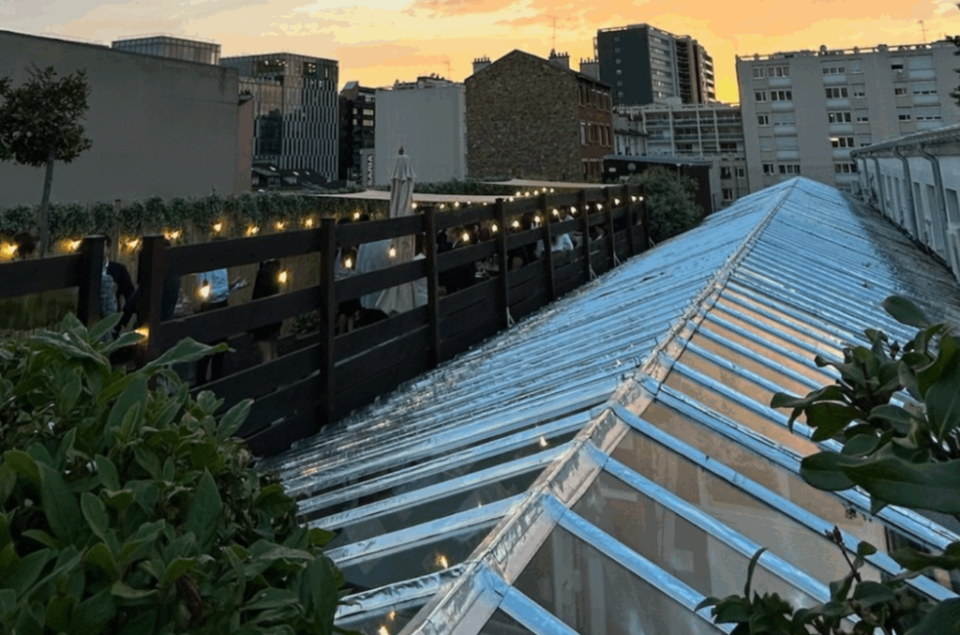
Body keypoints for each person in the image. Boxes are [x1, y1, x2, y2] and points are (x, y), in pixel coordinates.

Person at [250, 260, 283, 362]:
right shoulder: (274, 270)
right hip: (274, 318)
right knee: (273, 351)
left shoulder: (265, 273)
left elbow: (258, 298)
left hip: (263, 320)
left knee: (266, 354)